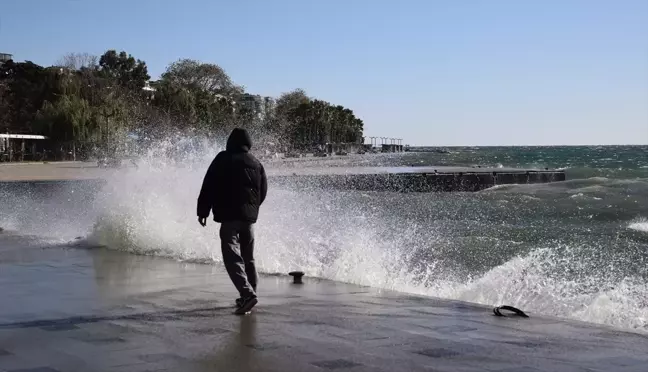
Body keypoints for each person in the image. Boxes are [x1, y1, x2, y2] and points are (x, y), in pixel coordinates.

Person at [197, 128, 268, 315]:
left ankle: (247, 294)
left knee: (232, 257)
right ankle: (249, 294)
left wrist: (202, 211)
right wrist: (252, 209)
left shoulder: (223, 158)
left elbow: (209, 185)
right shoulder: (256, 162)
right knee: (248, 259)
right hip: (249, 219)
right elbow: (263, 191)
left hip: (229, 217)